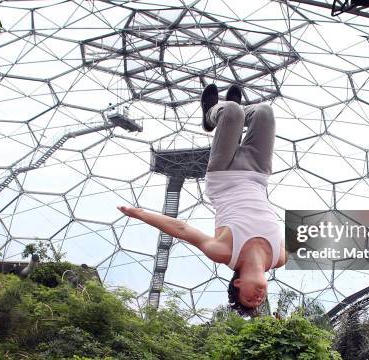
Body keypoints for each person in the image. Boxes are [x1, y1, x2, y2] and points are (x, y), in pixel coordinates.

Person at [118, 83, 286, 315]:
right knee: (264, 112)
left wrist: (140, 213)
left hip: (223, 176)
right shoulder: (279, 257)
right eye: (260, 301)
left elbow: (182, 229)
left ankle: (211, 114)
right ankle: (235, 113)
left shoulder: (224, 252)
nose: (258, 298)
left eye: (249, 299)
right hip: (258, 174)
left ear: (237, 284)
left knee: (232, 113)